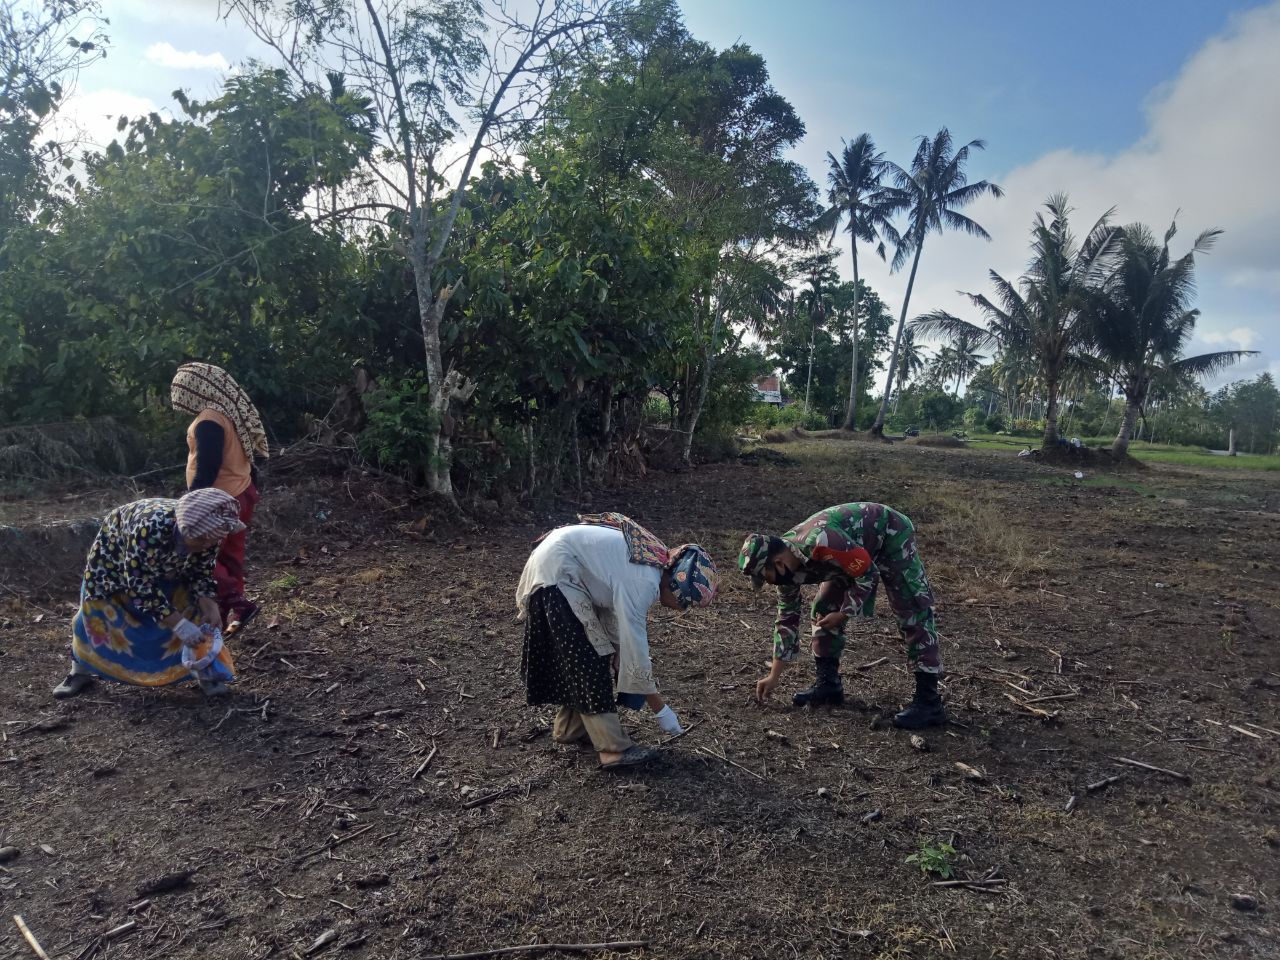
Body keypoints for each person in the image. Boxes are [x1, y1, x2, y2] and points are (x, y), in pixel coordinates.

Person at [516, 512, 717, 770]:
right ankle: (613, 750)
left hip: (563, 565)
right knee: (590, 661)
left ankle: (569, 729)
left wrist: (618, 651)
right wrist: (661, 709)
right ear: (677, 586)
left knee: (589, 657)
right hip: (558, 573)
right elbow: (636, 649)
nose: (682, 609)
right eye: (686, 603)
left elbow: (613, 607)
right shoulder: (644, 581)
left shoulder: (652, 565)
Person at [738, 502, 946, 729]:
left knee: (912, 610)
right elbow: (787, 619)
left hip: (889, 534)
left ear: (777, 563)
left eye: (765, 576)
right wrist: (773, 676)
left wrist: (844, 613)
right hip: (849, 554)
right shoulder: (785, 571)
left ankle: (929, 702)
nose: (768, 583)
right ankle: (828, 685)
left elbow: (868, 573)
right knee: (824, 609)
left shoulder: (821, 542)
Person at [52, 488, 247, 699]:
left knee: (194, 610)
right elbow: (140, 587)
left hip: (169, 567)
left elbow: (201, 571)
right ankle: (79, 671)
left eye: (211, 541)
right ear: (183, 528)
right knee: (96, 615)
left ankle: (205, 672)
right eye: (200, 540)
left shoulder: (211, 533)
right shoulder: (149, 529)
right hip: (115, 561)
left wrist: (209, 605)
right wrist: (180, 625)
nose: (206, 545)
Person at [170, 362, 268, 634]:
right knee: (230, 558)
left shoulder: (209, 421)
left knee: (201, 556)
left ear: (194, 390)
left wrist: (190, 505)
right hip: (240, 492)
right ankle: (228, 614)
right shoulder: (227, 413)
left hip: (217, 500)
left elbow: (208, 467)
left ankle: (238, 603)